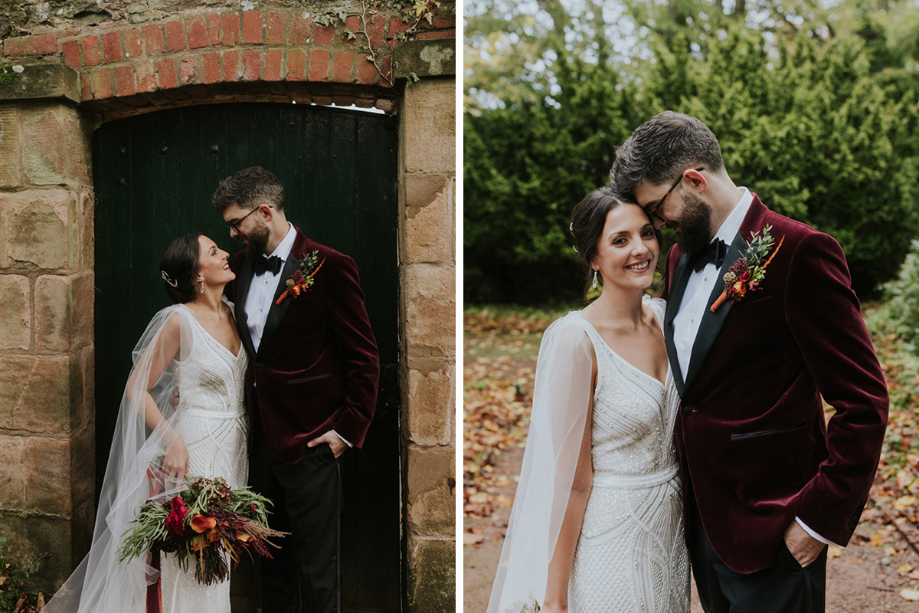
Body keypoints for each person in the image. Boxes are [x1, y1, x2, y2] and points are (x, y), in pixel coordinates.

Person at [610, 111, 889, 613]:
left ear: (693, 179)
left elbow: (863, 402)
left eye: (656, 208)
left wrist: (815, 523)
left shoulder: (801, 253)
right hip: (703, 525)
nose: (655, 226)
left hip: (776, 530)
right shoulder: (679, 258)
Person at [487, 188, 690, 613]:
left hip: (672, 534)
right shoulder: (577, 341)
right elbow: (571, 482)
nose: (641, 249)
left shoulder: (668, 317)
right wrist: (555, 595)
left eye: (647, 233)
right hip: (609, 536)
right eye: (620, 240)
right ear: (593, 258)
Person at [42, 233, 248, 613]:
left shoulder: (237, 313)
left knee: (219, 559)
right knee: (192, 559)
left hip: (234, 446)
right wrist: (173, 441)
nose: (225, 255)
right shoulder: (178, 320)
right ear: (196, 274)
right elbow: (137, 388)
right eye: (214, 252)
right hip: (195, 449)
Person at [212, 166, 380, 613]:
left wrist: (345, 433)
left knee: (318, 570)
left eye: (237, 222)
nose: (232, 234)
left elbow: (363, 357)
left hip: (312, 443)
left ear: (265, 211)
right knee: (271, 565)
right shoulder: (243, 265)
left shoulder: (330, 266)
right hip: (259, 442)